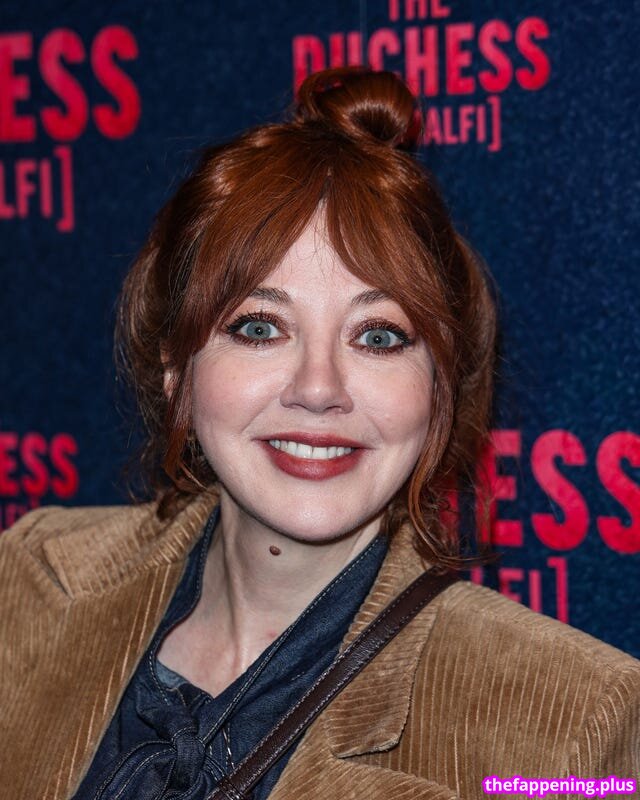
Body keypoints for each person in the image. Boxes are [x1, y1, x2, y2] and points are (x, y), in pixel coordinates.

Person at [1, 67, 638, 800]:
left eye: (378, 336)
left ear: (439, 385)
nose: (318, 388)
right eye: (260, 327)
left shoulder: (573, 728)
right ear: (177, 369)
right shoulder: (26, 581)